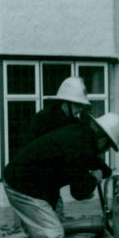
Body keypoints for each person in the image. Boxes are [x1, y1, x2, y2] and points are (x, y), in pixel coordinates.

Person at [3, 112, 119, 238]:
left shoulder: (79, 134)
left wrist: (105, 171)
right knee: (51, 236)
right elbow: (79, 192)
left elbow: (92, 161)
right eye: (108, 147)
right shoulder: (79, 145)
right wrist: (95, 178)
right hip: (24, 187)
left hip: (21, 182)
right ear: (103, 139)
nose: (105, 151)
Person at [22, 76, 92, 219]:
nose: (80, 109)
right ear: (66, 103)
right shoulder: (44, 121)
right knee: (50, 232)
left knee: (53, 230)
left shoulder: (69, 123)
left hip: (48, 190)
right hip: (32, 190)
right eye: (78, 105)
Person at [23, 76, 91, 144]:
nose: (81, 109)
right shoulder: (43, 120)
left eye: (82, 105)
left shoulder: (74, 123)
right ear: (65, 103)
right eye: (77, 104)